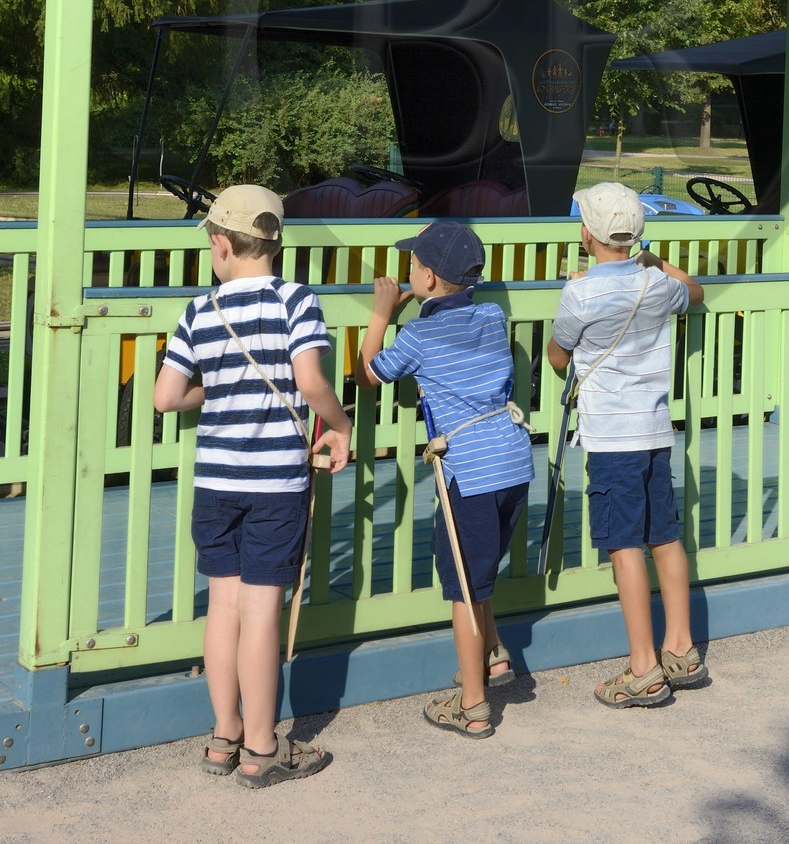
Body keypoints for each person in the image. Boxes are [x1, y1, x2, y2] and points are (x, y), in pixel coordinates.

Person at [154, 184, 352, 786]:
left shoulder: (200, 310)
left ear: (219, 245)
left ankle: (224, 736)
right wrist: (339, 423)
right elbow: (310, 380)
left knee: (224, 607)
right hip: (274, 483)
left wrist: (216, 387)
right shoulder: (296, 299)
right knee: (263, 611)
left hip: (216, 479)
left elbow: (166, 397)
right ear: (276, 241)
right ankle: (264, 747)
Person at [355, 220, 533, 740]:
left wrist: (381, 313)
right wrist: (426, 301)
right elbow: (455, 324)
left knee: (460, 584)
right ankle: (494, 655)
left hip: (469, 471)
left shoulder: (419, 335)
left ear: (428, 278)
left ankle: (474, 704)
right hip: (511, 461)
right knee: (479, 570)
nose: (407, 273)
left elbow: (369, 374)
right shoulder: (492, 315)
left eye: (413, 267)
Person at [546, 181, 708, 708]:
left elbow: (557, 356)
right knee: (664, 535)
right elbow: (696, 291)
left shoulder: (581, 292)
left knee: (623, 545)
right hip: (655, 429)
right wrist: (656, 262)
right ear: (637, 234)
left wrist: (583, 285)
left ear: (586, 234)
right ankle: (680, 649)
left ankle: (643, 668)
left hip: (611, 436)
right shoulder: (657, 285)